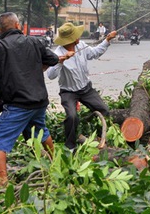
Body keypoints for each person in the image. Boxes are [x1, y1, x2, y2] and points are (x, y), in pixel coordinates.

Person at [0, 12, 67, 186]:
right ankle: (57, 165)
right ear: (17, 26)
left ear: (0, 29)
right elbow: (52, 59)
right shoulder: (33, 41)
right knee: (41, 132)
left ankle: (3, 182)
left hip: (18, 104)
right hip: (39, 101)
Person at [46, 23, 116, 151]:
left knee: (104, 110)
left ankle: (103, 137)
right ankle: (70, 146)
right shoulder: (58, 53)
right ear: (70, 39)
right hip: (68, 92)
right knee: (72, 117)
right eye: (76, 35)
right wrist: (61, 61)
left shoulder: (81, 46)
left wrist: (107, 40)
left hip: (86, 89)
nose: (79, 37)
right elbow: (50, 75)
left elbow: (94, 53)